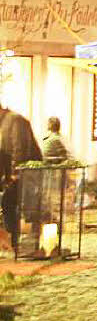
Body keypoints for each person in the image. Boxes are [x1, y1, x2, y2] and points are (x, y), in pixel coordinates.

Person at [0, 102, 42, 248]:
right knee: (10, 202)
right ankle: (14, 239)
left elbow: (19, 148)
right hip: (18, 173)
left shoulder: (14, 120)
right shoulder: (5, 122)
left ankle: (18, 240)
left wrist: (14, 173)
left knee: (12, 202)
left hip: (28, 173)